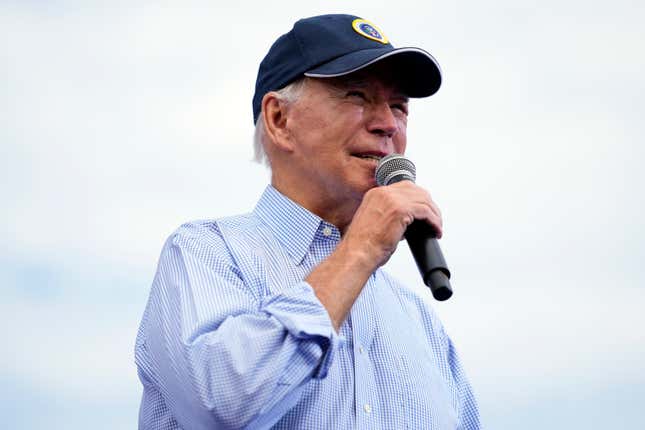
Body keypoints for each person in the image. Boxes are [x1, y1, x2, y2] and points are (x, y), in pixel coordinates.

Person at [135, 14, 480, 430]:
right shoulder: (204, 254)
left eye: (399, 106)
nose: (387, 124)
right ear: (280, 120)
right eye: (356, 95)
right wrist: (360, 249)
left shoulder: (420, 322)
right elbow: (222, 408)